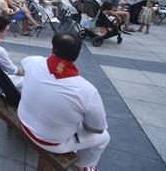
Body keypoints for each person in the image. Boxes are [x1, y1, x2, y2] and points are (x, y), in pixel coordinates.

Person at [18, 33, 109, 170]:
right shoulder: (87, 91)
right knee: (104, 137)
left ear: (53, 49)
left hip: (23, 121)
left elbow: (24, 68)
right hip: (50, 142)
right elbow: (96, 128)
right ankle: (84, 166)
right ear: (76, 55)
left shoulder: (32, 61)